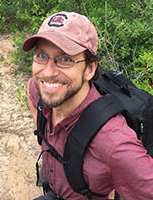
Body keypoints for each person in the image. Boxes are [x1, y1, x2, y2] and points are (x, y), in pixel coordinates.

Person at [22, 11, 153, 200]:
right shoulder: (39, 90)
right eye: (42, 56)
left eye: (65, 59)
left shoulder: (114, 146)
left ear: (89, 69)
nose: (48, 72)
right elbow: (30, 91)